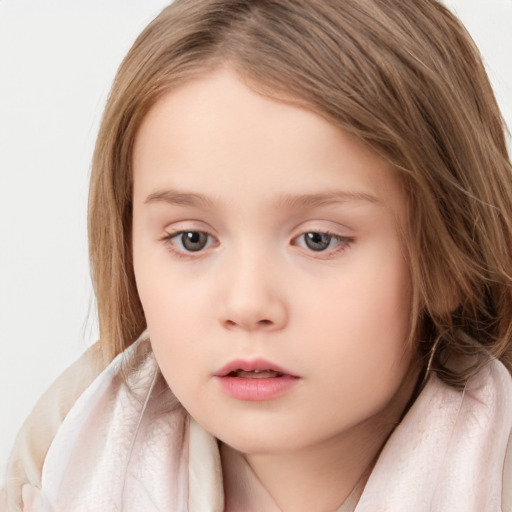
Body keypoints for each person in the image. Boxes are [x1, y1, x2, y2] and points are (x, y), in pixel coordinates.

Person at [2, 0, 512, 510]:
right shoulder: (65, 469)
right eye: (192, 239)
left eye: (318, 239)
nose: (247, 304)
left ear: (451, 258)